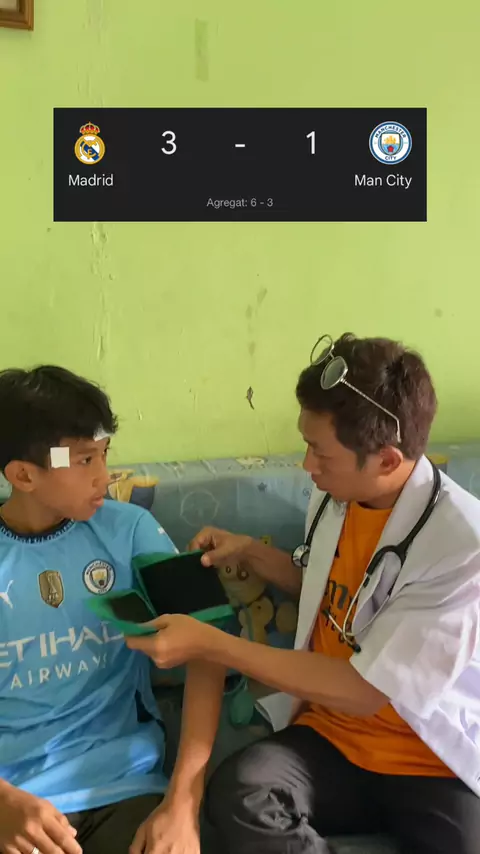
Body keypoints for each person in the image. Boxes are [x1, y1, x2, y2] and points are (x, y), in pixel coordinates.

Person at [127, 333, 480, 854]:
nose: (306, 466)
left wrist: (211, 644)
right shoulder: (337, 494)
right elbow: (328, 587)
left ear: (386, 461)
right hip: (333, 738)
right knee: (242, 794)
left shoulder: (462, 549)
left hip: (428, 759)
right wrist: (251, 552)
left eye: (321, 453)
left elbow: (365, 690)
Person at [0, 365, 212, 854]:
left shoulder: (132, 529)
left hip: (125, 788)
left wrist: (183, 804)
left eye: (104, 454)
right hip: (16, 804)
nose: (104, 475)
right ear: (24, 475)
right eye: (83, 460)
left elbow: (211, 649)